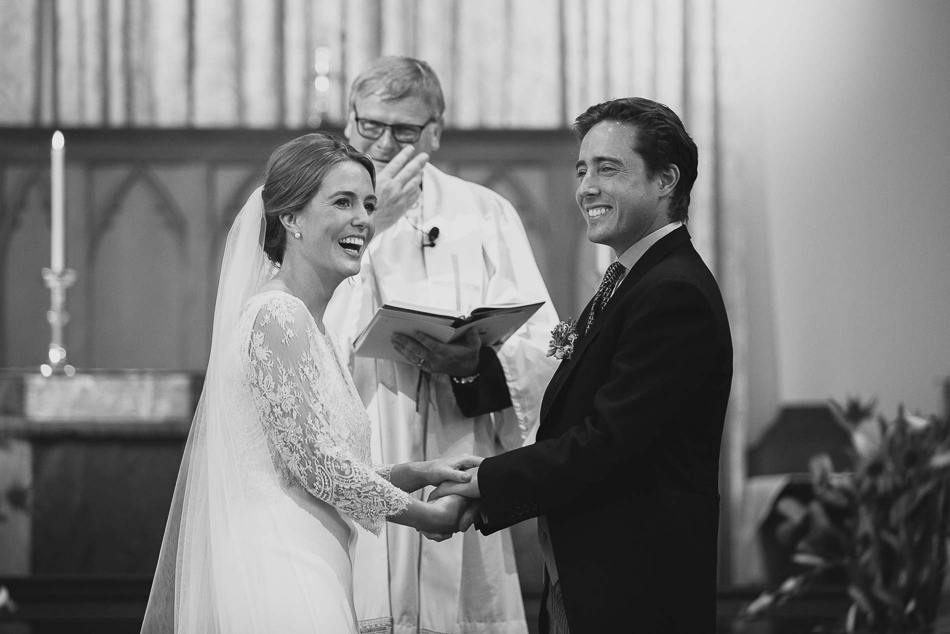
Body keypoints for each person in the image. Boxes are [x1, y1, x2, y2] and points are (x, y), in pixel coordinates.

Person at [141, 133, 482, 634]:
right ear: (291, 219)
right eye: (342, 202)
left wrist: (420, 470)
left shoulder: (310, 326)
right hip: (281, 569)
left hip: (313, 558)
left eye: (369, 203)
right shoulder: (277, 316)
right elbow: (320, 468)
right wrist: (425, 516)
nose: (364, 219)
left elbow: (317, 461)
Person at [433, 97, 734, 633]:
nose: (585, 188)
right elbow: (578, 401)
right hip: (588, 571)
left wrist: (487, 480)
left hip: (633, 587)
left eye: (607, 169)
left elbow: (609, 441)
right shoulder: (633, 278)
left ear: (666, 180)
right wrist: (473, 368)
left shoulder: (673, 293)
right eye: (581, 169)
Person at [324, 56, 559, 634]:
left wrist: (475, 364)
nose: (382, 144)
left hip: (461, 443)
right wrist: (375, 226)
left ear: (435, 132)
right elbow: (305, 332)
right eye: (370, 127)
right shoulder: (320, 207)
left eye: (403, 131)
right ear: (349, 124)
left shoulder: (485, 213)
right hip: (368, 439)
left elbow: (544, 344)